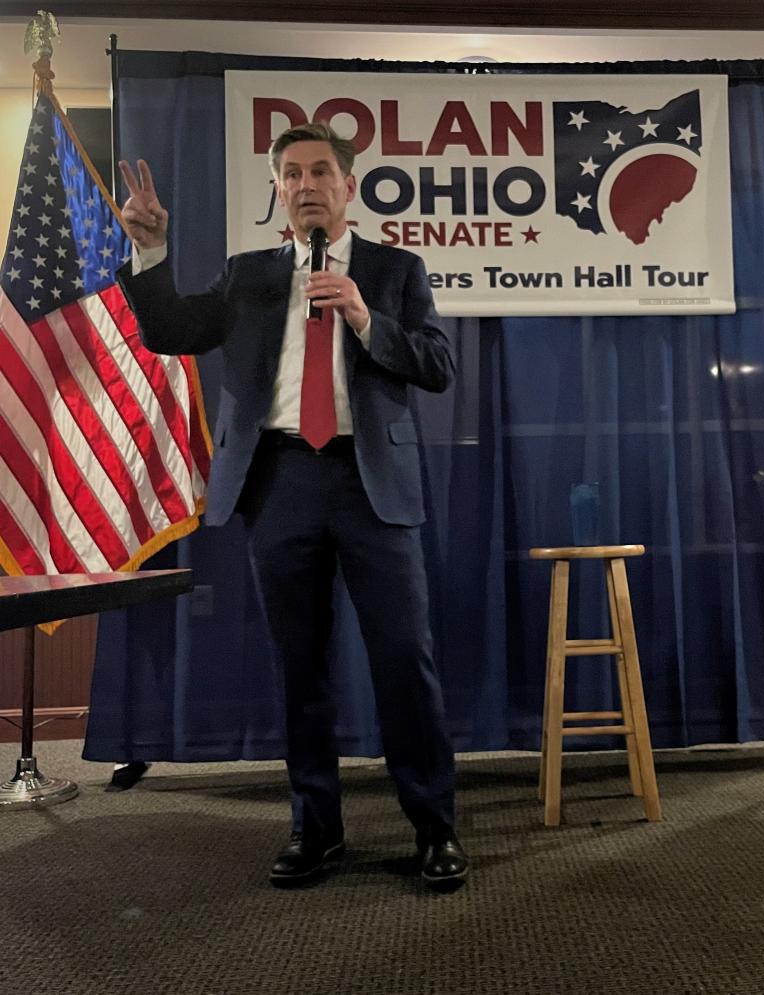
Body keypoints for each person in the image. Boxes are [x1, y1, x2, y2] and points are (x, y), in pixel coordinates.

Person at [115, 122, 466, 890]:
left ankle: (434, 827)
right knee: (298, 667)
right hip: (279, 484)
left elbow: (438, 365)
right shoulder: (248, 275)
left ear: (348, 184)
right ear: (277, 189)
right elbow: (173, 331)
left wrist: (367, 318)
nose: (305, 184)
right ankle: (316, 829)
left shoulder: (394, 268)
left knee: (405, 663)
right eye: (291, 174)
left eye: (319, 171)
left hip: (371, 484)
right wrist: (149, 254)